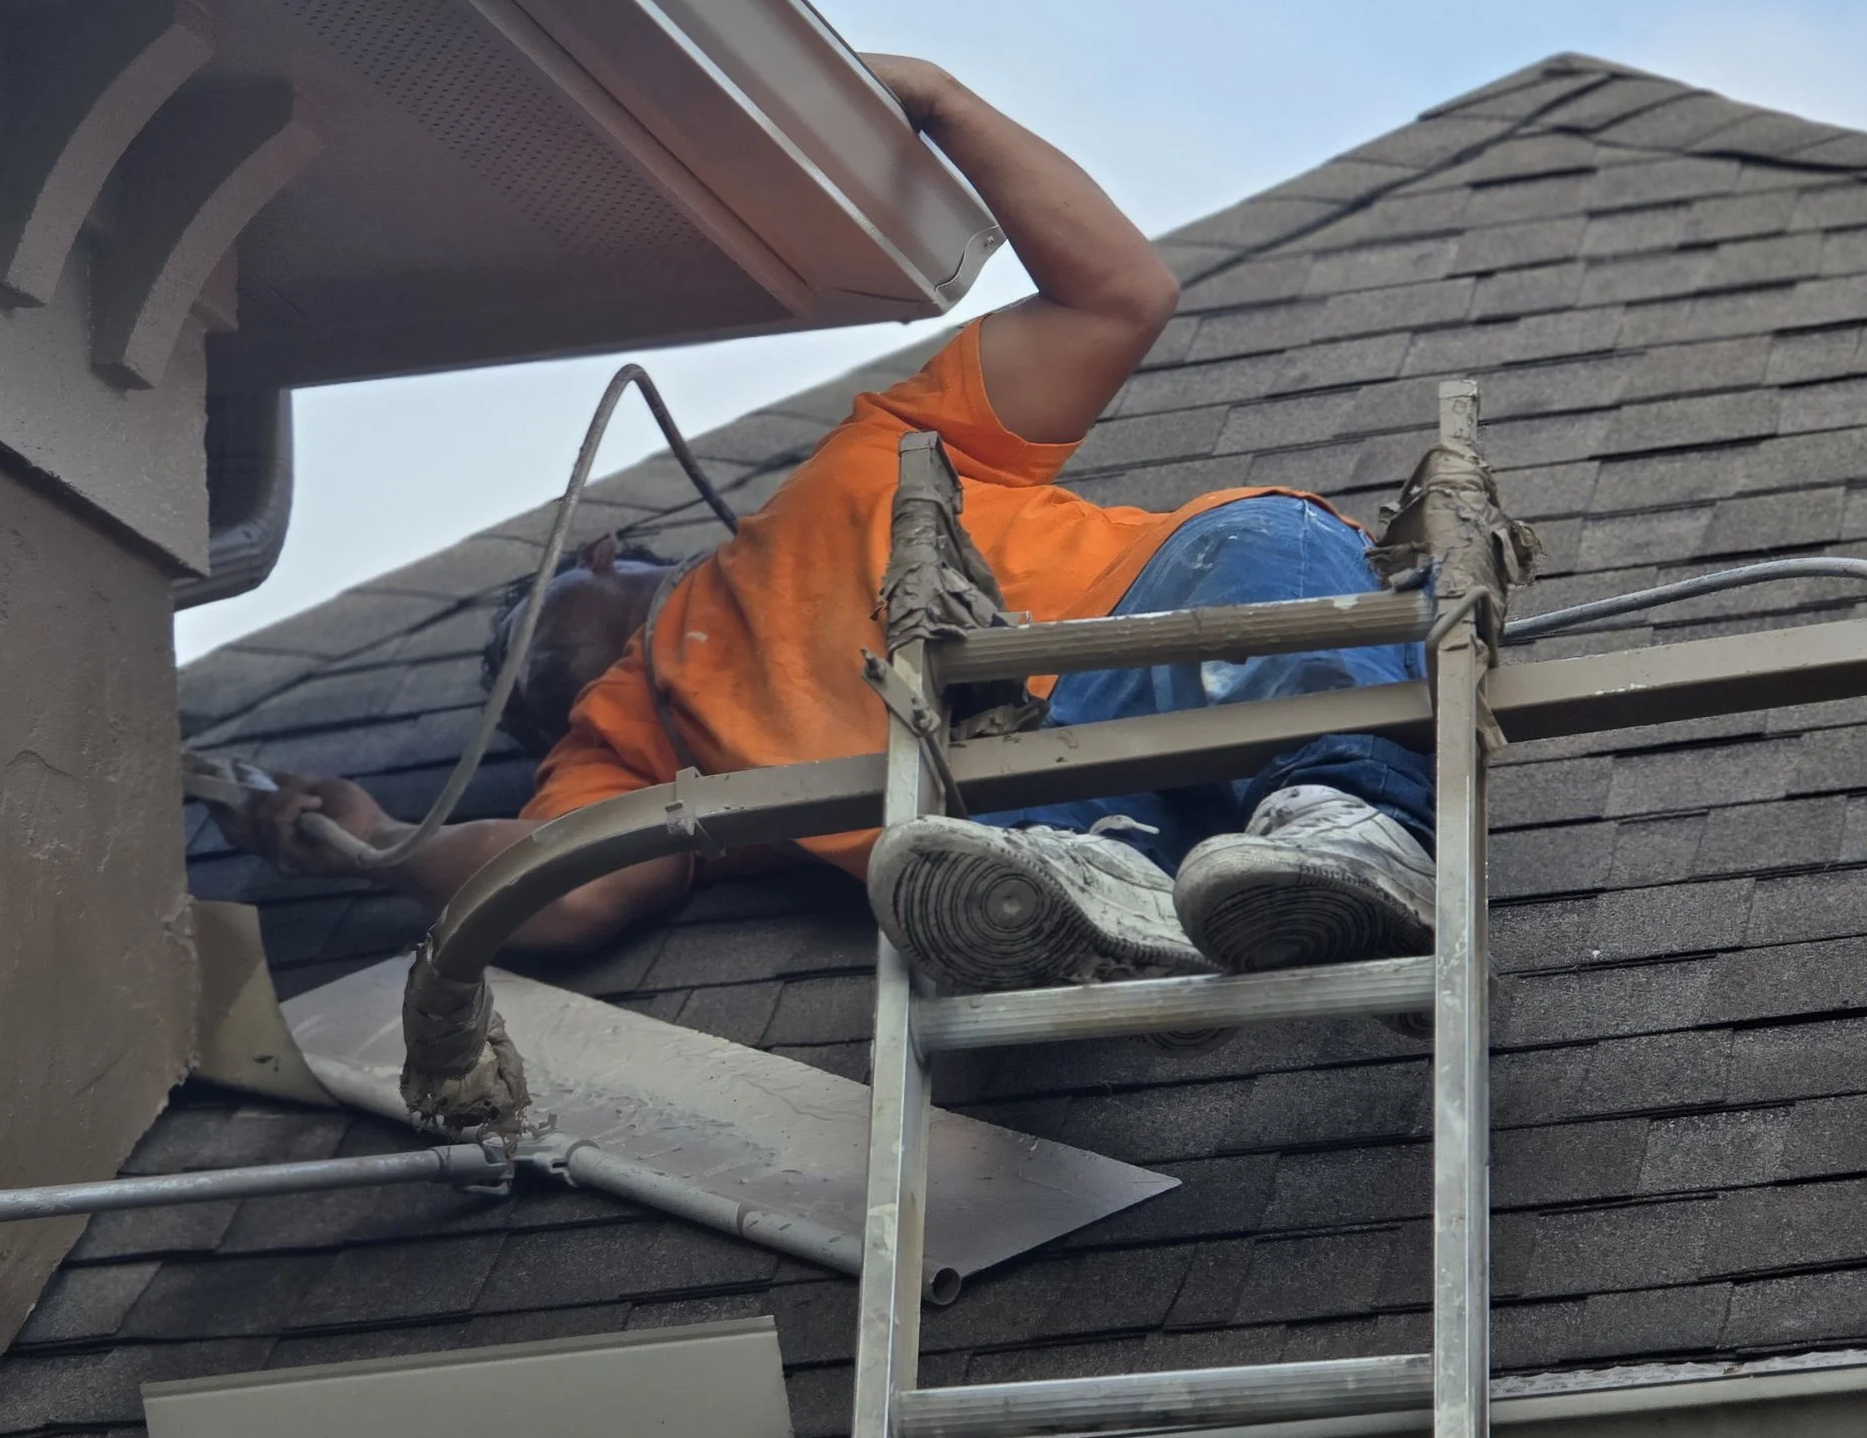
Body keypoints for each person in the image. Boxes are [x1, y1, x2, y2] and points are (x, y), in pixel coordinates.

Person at [222, 57, 1436, 991]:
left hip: (1166, 635)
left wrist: (930, 100)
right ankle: (1130, 882)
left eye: (523, 635)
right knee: (971, 839)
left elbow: (1116, 294)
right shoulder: (627, 747)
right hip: (1003, 797)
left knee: (1260, 540)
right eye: (519, 697)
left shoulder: (866, 456)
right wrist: (386, 844)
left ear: (599, 558)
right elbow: (562, 897)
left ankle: (1353, 829)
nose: (522, 683)